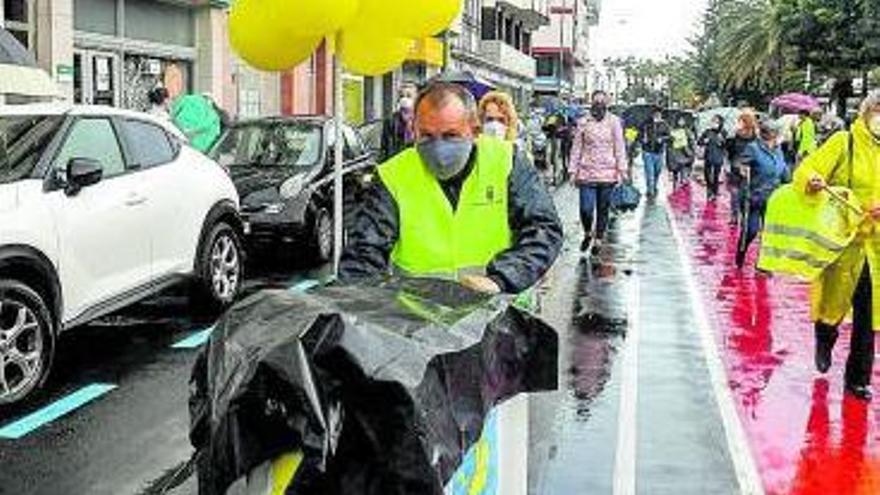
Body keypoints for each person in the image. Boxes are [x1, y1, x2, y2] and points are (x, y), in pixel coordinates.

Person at [339, 81, 563, 295]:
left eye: (451, 135)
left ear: (475, 131)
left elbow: (543, 229)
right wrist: (352, 305)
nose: (438, 148)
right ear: (413, 130)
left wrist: (502, 278)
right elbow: (364, 253)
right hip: (417, 313)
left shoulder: (506, 162)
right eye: (426, 136)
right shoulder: (393, 174)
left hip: (497, 307)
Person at [794, 90, 880, 401]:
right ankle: (824, 335)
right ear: (867, 112)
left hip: (875, 248)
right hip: (842, 243)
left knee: (869, 314)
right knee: (832, 304)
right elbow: (808, 169)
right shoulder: (844, 142)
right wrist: (812, 180)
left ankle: (857, 378)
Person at [569, 90, 628, 254]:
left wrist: (622, 170)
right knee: (586, 209)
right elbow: (576, 147)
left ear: (607, 104)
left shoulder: (614, 122)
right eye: (596, 101)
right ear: (592, 102)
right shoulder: (583, 122)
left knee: (603, 208)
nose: (599, 104)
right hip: (586, 172)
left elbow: (619, 146)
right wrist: (572, 170)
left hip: (608, 173)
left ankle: (599, 239)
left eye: (602, 101)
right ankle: (588, 232)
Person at [734, 119, 790, 269]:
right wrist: (741, 168)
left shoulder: (778, 150)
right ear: (768, 133)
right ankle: (741, 253)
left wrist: (789, 182)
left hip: (773, 198)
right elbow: (738, 163)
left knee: (769, 233)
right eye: (774, 133)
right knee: (751, 231)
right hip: (753, 197)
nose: (777, 136)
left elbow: (783, 169)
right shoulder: (753, 148)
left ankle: (763, 263)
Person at [726, 109, 759, 225]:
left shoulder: (735, 135)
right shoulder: (756, 136)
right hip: (749, 167)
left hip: (736, 165)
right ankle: (744, 216)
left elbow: (729, 150)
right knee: (745, 193)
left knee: (735, 192)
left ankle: (734, 216)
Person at [380, 83, 418, 161]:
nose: (404, 99)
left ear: (416, 99)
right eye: (402, 96)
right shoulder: (390, 121)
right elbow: (385, 149)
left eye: (409, 96)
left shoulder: (422, 119)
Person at [639, 107, 669, 198]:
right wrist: (642, 139)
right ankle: (650, 190)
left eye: (659, 114)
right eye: (655, 113)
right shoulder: (645, 124)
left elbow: (669, 136)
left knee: (657, 171)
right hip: (647, 151)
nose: (657, 115)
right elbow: (638, 134)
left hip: (659, 152)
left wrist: (662, 139)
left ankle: (654, 185)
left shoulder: (664, 125)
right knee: (649, 172)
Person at [699, 115, 727, 200]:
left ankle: (714, 192)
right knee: (707, 175)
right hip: (708, 156)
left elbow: (726, 146)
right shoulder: (707, 132)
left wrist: (722, 141)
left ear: (720, 123)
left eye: (716, 121)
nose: (714, 123)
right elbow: (699, 142)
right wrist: (704, 141)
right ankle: (709, 191)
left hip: (718, 158)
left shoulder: (723, 132)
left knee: (716, 176)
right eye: (713, 121)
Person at [667, 116, 696, 189]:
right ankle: (676, 188)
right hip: (675, 155)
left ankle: (683, 187)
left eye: (682, 120)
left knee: (684, 175)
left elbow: (692, 143)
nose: (681, 122)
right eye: (680, 120)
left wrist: (691, 153)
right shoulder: (672, 131)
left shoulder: (688, 131)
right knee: (676, 174)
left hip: (685, 154)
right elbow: (669, 144)